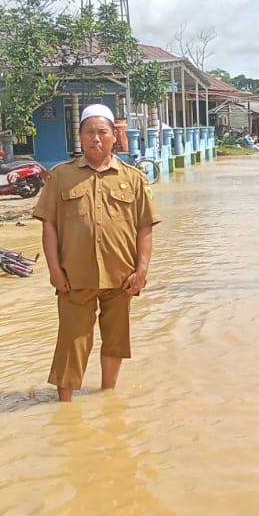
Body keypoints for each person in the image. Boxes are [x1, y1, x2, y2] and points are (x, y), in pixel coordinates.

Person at [33, 103, 160, 402]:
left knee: (116, 341)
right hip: (74, 277)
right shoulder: (60, 177)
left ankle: (107, 397)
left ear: (115, 135)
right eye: (89, 132)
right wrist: (54, 269)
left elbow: (145, 228)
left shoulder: (134, 178)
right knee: (71, 342)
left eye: (103, 132)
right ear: (79, 136)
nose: (96, 138)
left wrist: (141, 271)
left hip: (121, 278)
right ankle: (65, 403)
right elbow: (48, 225)